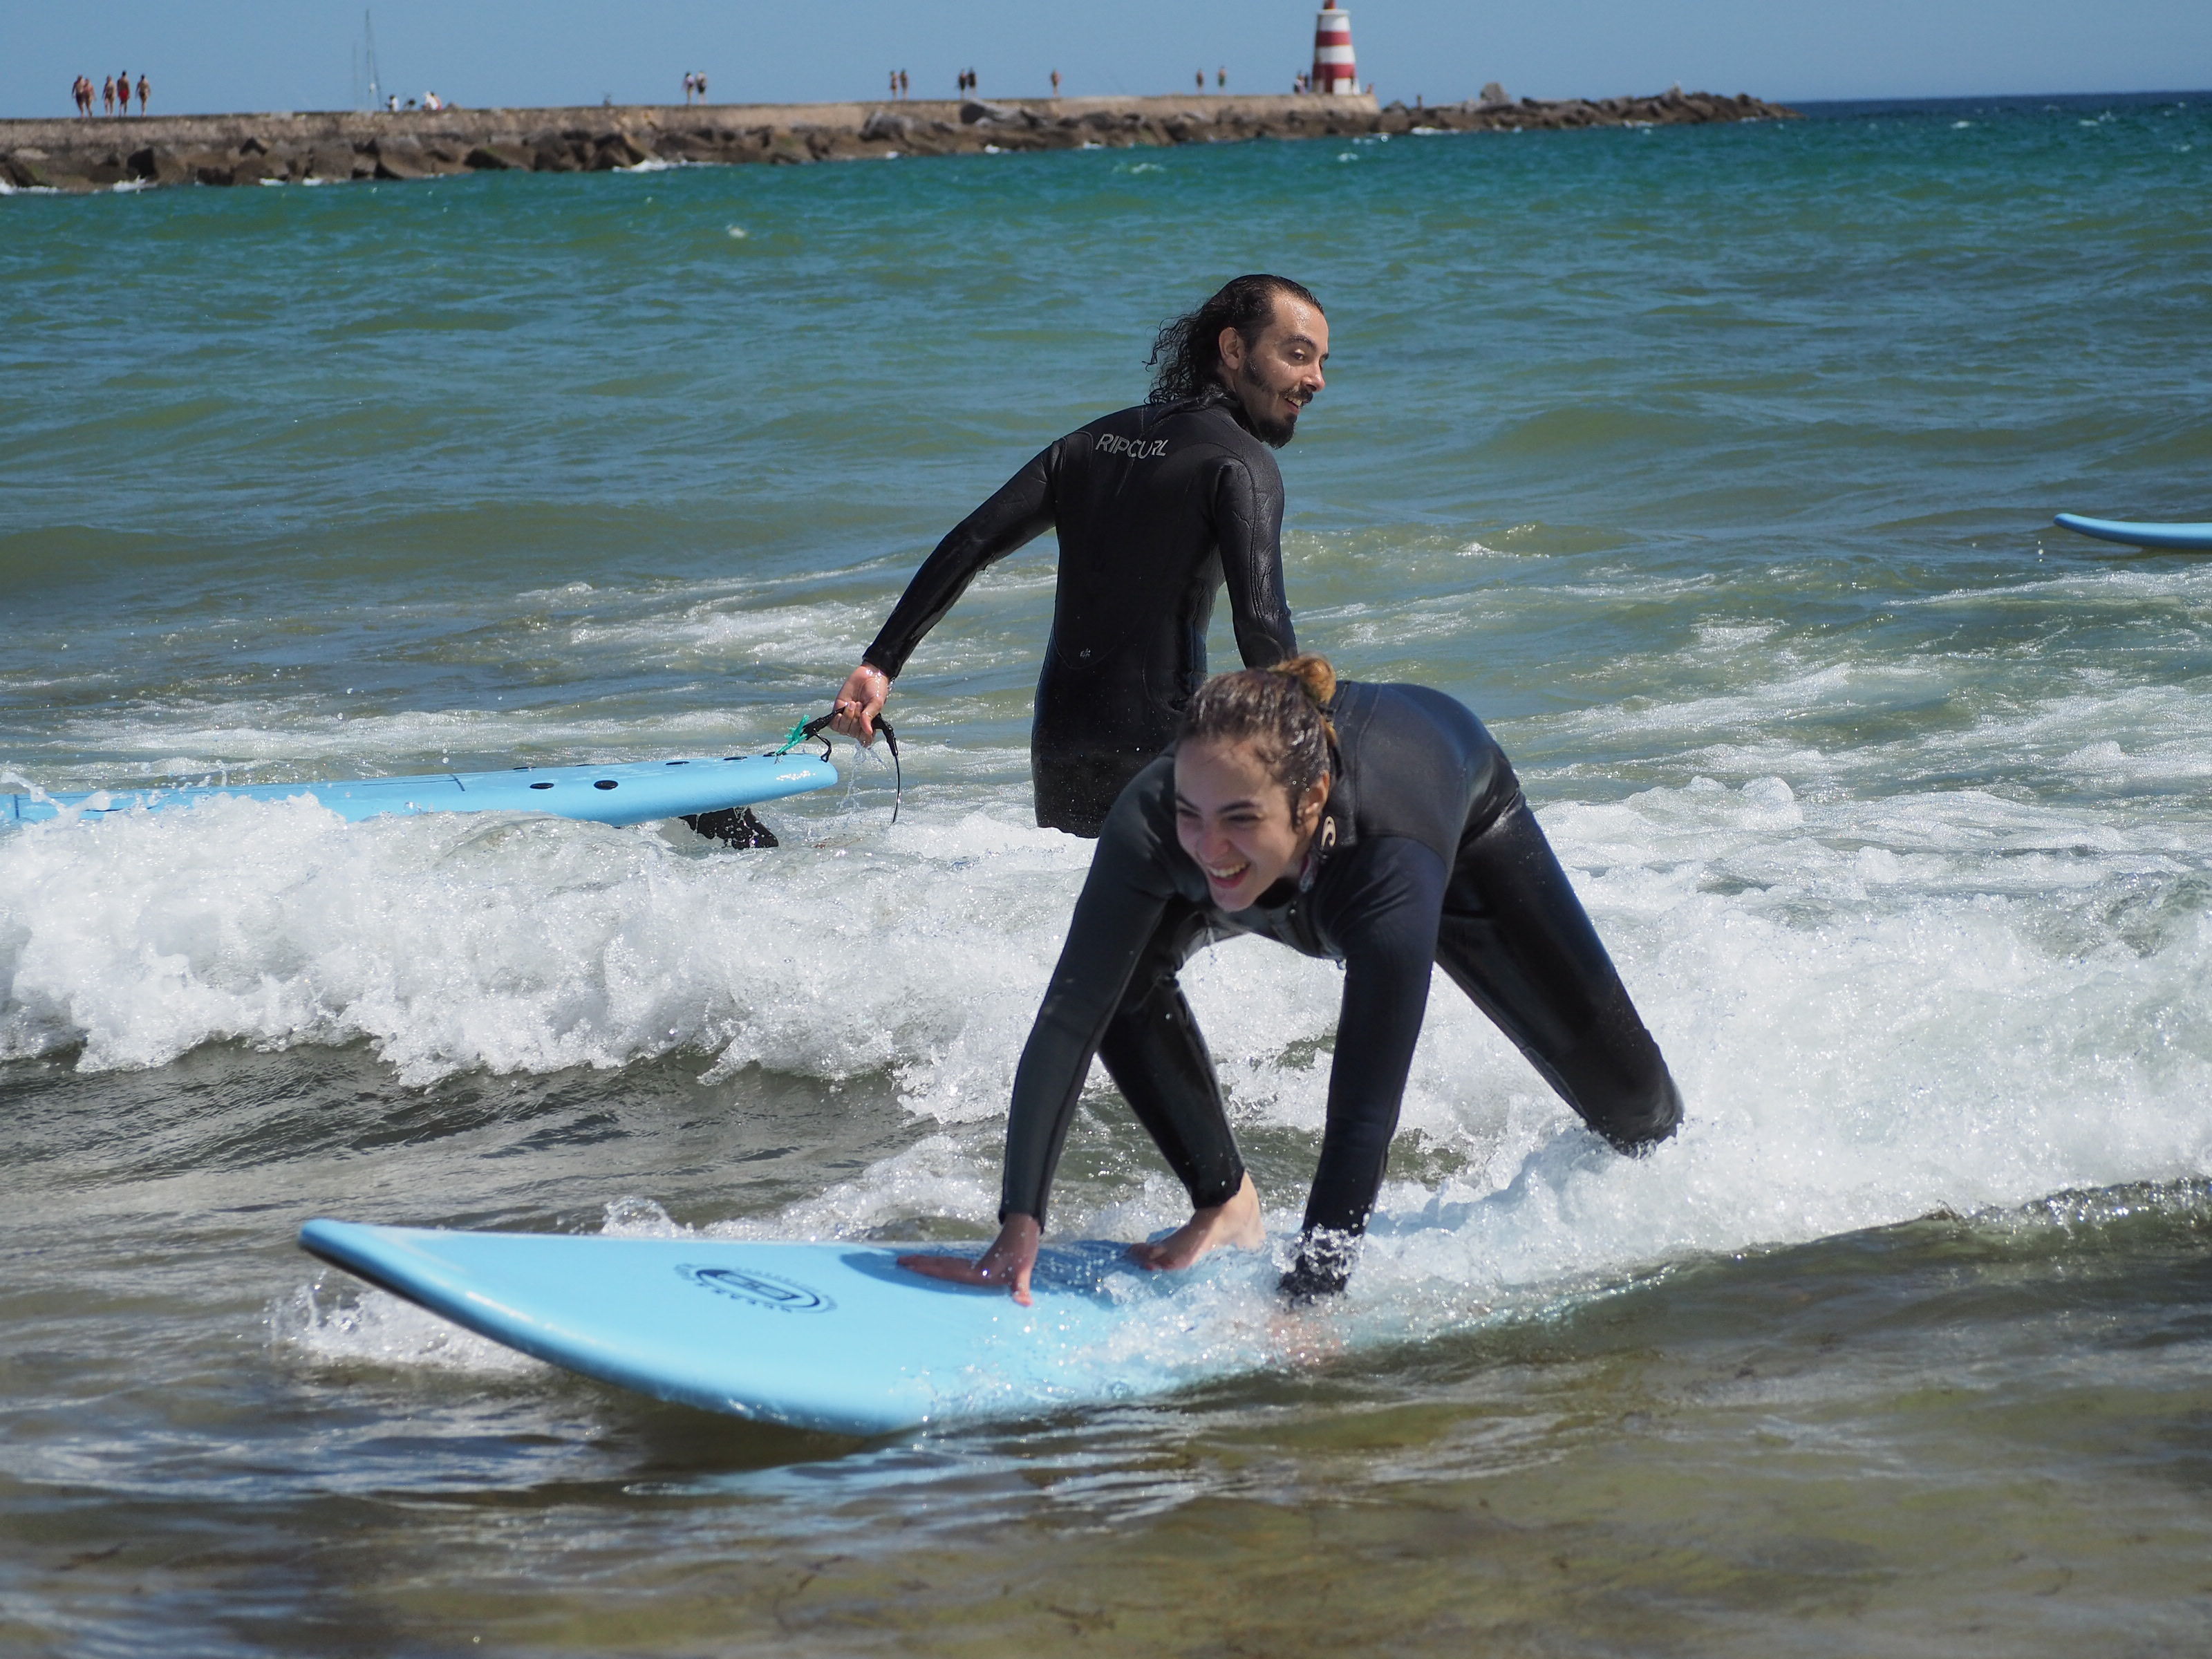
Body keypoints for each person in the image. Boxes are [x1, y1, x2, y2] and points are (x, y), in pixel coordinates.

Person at [899, 657, 1684, 1304]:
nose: (1208, 846)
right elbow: (1072, 1013)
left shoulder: (1390, 864)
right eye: (1190, 812)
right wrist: (1019, 1225)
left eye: (1238, 818)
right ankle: (1225, 1203)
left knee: (1637, 1113)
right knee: (1118, 971)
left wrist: (1307, 1298)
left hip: (1461, 827)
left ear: (1308, 801)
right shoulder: (1162, 818)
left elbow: (1363, 1116)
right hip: (1310, 852)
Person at [827, 274, 1328, 836]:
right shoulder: (1242, 464)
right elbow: (1260, 622)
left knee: (1075, 893)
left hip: (1060, 744)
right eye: (1298, 355)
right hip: (1160, 748)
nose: (1317, 379)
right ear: (1233, 349)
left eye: (1320, 361)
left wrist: (879, 664)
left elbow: (970, 543)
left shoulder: (1084, 445)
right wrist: (1314, 747)